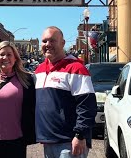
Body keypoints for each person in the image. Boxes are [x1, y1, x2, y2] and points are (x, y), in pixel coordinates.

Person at [34, 26, 97, 158]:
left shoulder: (76, 68)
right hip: (48, 141)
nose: (48, 45)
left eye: (52, 41)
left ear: (63, 43)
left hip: (69, 142)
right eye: (44, 41)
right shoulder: (39, 70)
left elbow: (87, 105)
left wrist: (80, 135)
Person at [0, 41, 36, 158]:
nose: (5, 57)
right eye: (2, 54)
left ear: (15, 58)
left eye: (9, 54)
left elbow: (33, 107)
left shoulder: (27, 80)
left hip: (17, 139)